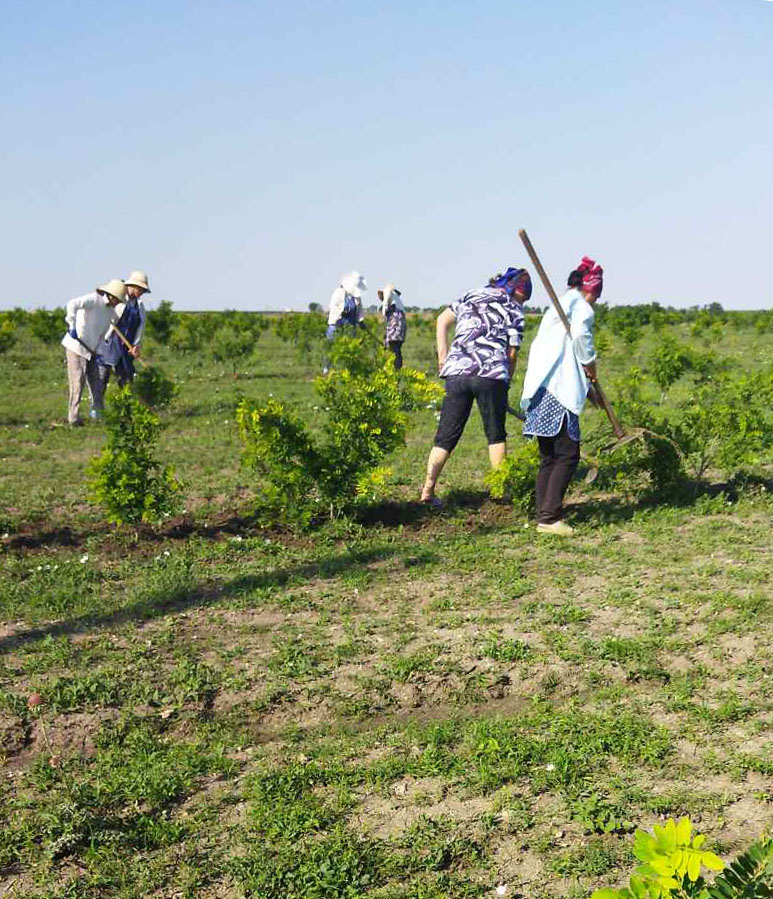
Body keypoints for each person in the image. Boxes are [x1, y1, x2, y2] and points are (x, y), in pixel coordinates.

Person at [420, 267, 532, 506]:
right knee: (496, 434)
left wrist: (443, 357)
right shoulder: (514, 309)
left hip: (457, 372)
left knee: (445, 435)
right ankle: (500, 493)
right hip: (491, 375)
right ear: (517, 291)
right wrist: (506, 381)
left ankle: (427, 492)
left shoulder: (470, 295)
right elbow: (512, 354)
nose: (521, 302)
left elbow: (442, 321)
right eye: (523, 297)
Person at [520, 257, 603, 535]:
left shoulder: (557, 309)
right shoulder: (581, 308)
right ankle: (549, 517)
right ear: (594, 289)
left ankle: (543, 513)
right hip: (559, 392)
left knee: (550, 457)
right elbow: (580, 338)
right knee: (567, 455)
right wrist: (591, 365)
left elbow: (563, 355)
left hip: (541, 388)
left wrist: (591, 392)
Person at [61, 279, 127, 426]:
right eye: (118, 299)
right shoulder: (93, 299)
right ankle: (73, 418)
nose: (118, 303)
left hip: (91, 351)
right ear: (112, 296)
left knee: (97, 384)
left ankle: (97, 415)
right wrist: (72, 325)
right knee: (78, 382)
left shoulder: (109, 312)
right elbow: (72, 304)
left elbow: (102, 335)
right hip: (76, 347)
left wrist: (98, 352)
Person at [92, 270, 150, 413]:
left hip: (126, 348)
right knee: (101, 378)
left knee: (126, 380)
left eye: (143, 290)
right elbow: (106, 319)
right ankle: (97, 409)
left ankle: (127, 409)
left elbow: (140, 328)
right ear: (131, 286)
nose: (141, 292)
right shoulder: (117, 299)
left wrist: (136, 345)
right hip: (109, 344)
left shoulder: (140, 306)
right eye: (139, 289)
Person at [323, 271, 367, 373]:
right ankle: (326, 369)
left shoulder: (357, 297)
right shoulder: (338, 292)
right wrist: (342, 312)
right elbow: (333, 307)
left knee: (350, 348)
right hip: (337, 324)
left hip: (350, 325)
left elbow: (360, 310)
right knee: (331, 346)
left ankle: (348, 370)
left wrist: (361, 321)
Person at [379, 283, 407, 370]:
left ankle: (396, 368)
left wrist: (383, 314)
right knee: (396, 347)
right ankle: (396, 367)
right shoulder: (397, 301)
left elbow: (385, 308)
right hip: (399, 325)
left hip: (396, 324)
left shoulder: (389, 293)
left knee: (394, 347)